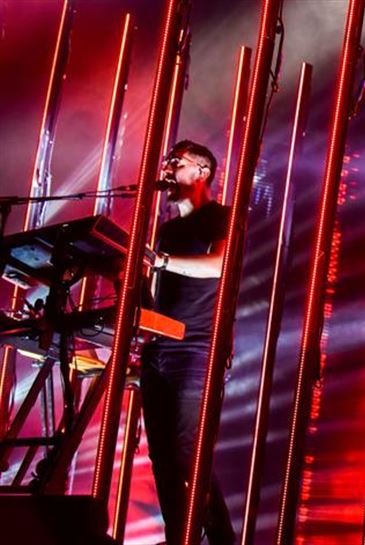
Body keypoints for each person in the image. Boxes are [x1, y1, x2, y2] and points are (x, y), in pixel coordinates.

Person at [141, 140, 234, 545]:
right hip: (158, 351)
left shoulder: (222, 217)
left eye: (174, 162)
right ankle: (180, 538)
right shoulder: (167, 231)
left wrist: (159, 261)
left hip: (197, 350)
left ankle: (220, 539)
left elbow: (219, 265)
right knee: (162, 459)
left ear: (202, 171)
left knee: (187, 455)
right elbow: (156, 295)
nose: (166, 169)